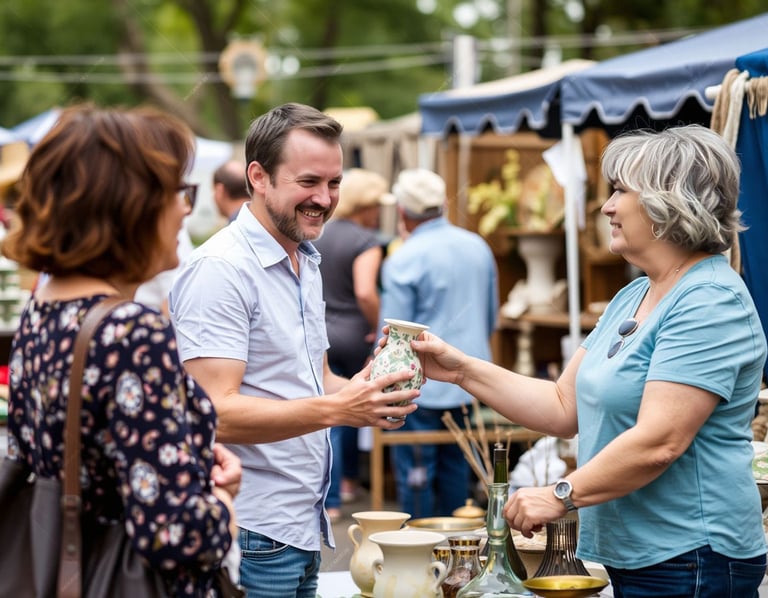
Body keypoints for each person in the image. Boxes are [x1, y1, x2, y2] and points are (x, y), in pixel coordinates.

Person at [408, 125, 768, 597]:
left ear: (670, 202)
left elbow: (660, 440)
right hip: (645, 552)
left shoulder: (709, 301)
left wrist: (560, 495)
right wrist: (460, 370)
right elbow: (562, 405)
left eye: (620, 191)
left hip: (691, 554)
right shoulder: (636, 293)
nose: (607, 206)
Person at [168, 102, 419, 598]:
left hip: (303, 524)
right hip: (255, 529)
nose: (325, 199)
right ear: (258, 177)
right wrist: (342, 408)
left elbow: (318, 379)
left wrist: (375, 391)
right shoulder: (221, 268)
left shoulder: (305, 257)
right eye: (309, 182)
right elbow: (212, 412)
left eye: (334, 183)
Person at [2, 103, 242, 597]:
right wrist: (221, 502)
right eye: (177, 191)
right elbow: (176, 535)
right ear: (129, 204)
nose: (184, 207)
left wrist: (186, 453)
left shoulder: (41, 310)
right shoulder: (132, 331)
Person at [379, 168, 499, 518]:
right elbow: (491, 316)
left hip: (420, 386)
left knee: (417, 477)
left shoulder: (403, 257)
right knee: (459, 476)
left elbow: (394, 337)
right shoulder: (477, 246)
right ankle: (458, 558)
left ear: (402, 212)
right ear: (443, 205)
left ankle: (416, 556)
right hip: (471, 380)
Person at [313, 168, 393, 520]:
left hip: (319, 331)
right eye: (376, 204)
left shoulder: (316, 234)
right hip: (352, 334)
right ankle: (340, 489)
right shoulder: (366, 240)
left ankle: (326, 494)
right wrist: (377, 325)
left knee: (325, 411)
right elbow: (365, 291)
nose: (378, 212)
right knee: (344, 411)